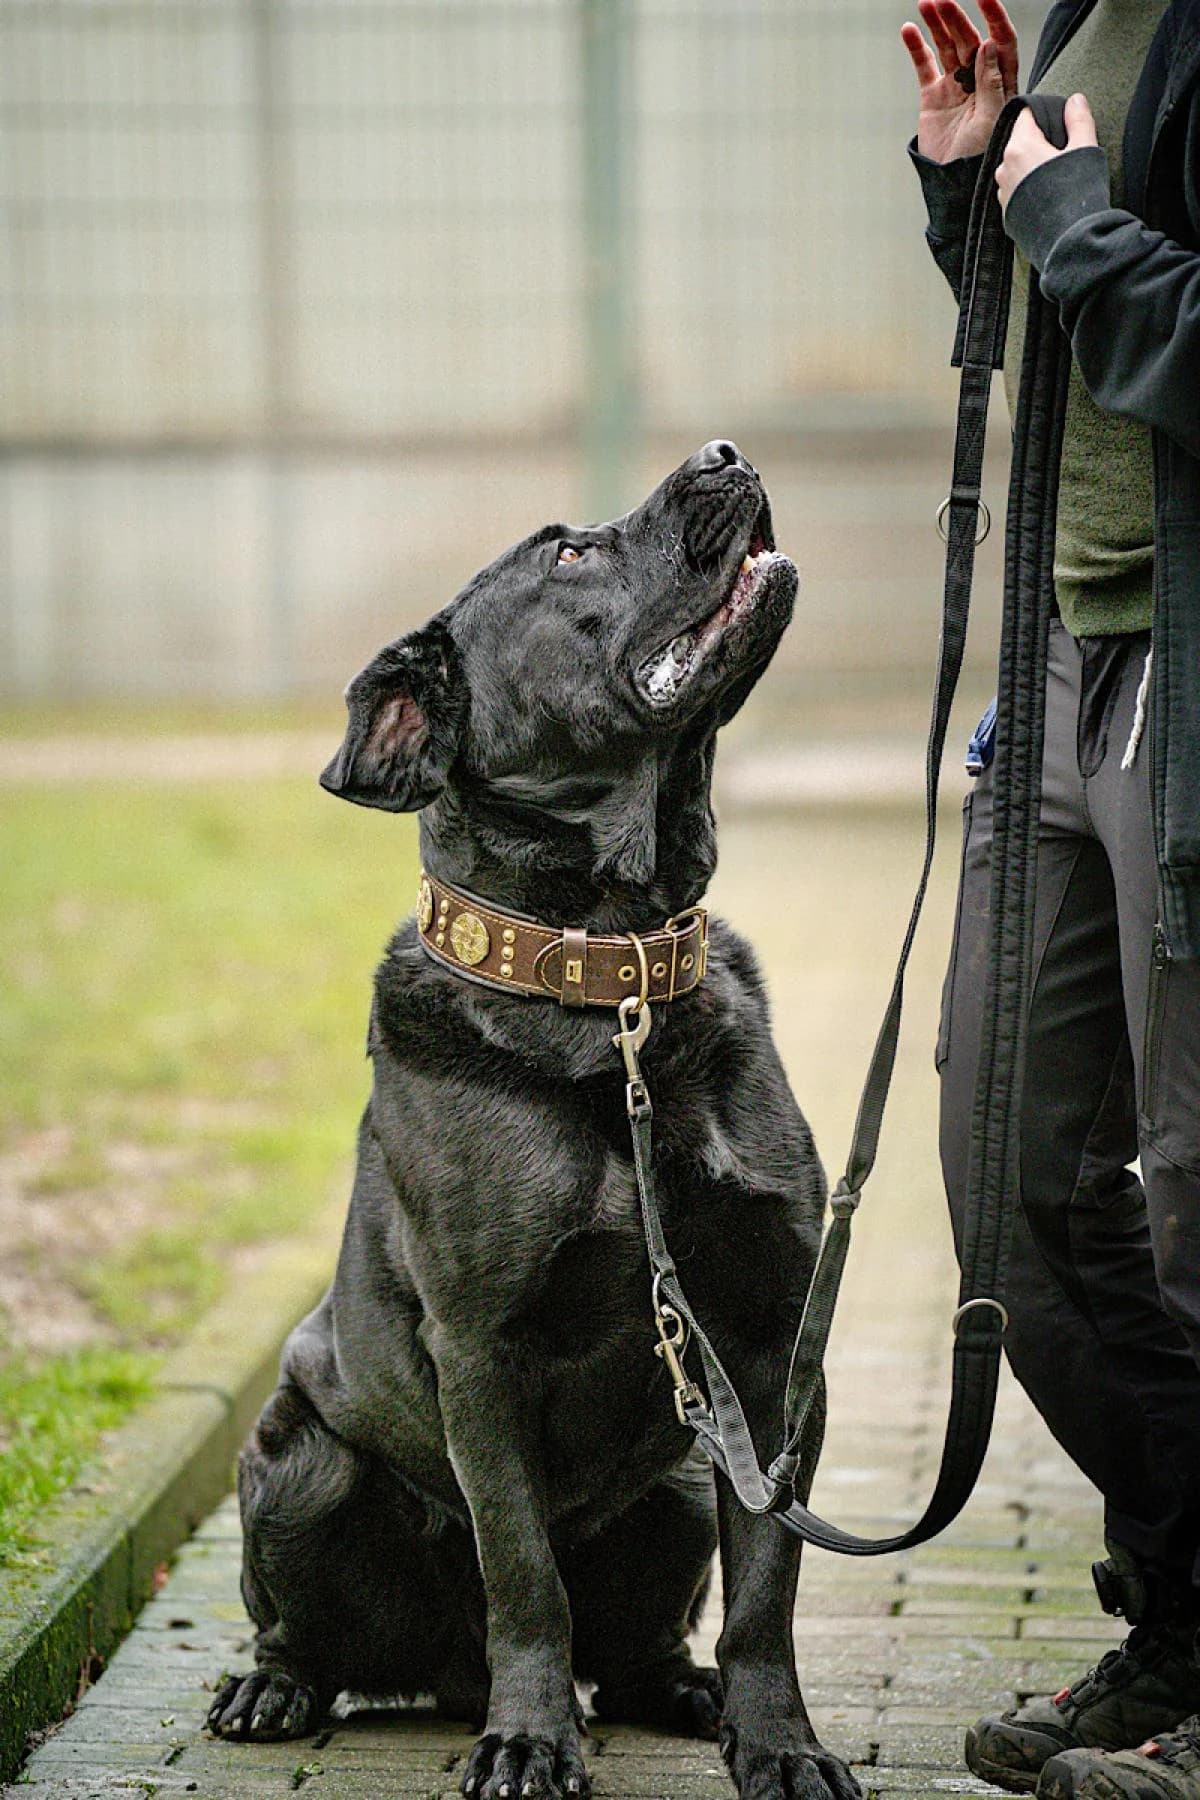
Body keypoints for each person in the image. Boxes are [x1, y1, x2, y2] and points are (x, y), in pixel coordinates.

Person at [900, 2, 1200, 1797]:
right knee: (1013, 1181)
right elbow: (1065, 331)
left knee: (1193, 1201)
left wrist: (1076, 216)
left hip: (1186, 680)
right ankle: (1184, 1617)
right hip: (1064, 665)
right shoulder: (1100, 11)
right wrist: (973, 189)